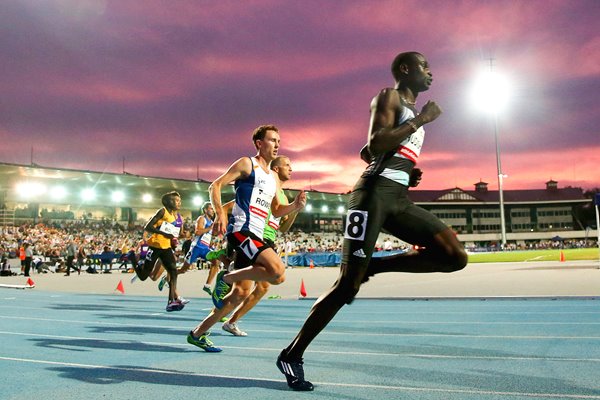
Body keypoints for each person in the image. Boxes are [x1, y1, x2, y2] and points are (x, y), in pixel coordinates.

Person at [276, 52, 468, 391]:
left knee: (454, 256)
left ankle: (376, 267)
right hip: (370, 198)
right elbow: (374, 143)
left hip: (397, 198)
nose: (431, 73)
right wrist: (421, 119)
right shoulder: (389, 97)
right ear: (405, 70)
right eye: (425, 67)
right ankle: (292, 353)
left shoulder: (403, 110)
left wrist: (408, 168)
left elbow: (371, 153)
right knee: (347, 286)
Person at [187, 124, 306, 352]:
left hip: (259, 233)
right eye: (272, 140)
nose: (276, 145)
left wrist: (294, 206)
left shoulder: (272, 177)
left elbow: (277, 210)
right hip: (242, 230)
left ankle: (197, 334)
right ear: (259, 144)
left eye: (278, 141)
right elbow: (216, 185)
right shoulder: (246, 164)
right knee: (277, 271)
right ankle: (228, 276)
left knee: (241, 293)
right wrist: (221, 213)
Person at [222, 155, 298, 337]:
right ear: (277, 169)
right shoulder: (264, 185)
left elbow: (284, 227)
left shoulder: (284, 196)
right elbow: (233, 206)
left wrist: (295, 208)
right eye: (287, 165)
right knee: (242, 289)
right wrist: (228, 229)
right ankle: (219, 304)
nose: (291, 169)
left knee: (262, 287)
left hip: (268, 239)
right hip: (253, 236)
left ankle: (230, 321)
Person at [158, 202, 223, 298]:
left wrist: (216, 231)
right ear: (205, 210)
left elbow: (211, 234)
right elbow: (197, 232)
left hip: (205, 248)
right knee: (184, 269)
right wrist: (209, 228)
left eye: (213, 209)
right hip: (196, 248)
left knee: (216, 262)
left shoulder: (212, 223)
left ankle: (207, 285)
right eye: (210, 209)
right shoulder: (201, 219)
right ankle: (166, 277)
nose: (212, 211)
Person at [135, 191, 185, 312]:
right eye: (176, 201)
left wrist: (177, 236)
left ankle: (171, 301)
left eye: (179, 201)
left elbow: (173, 232)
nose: (179, 203)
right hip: (155, 247)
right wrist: (164, 233)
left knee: (173, 271)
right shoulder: (162, 211)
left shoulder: (175, 216)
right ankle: (132, 258)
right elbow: (148, 226)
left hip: (166, 248)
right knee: (143, 276)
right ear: (168, 202)